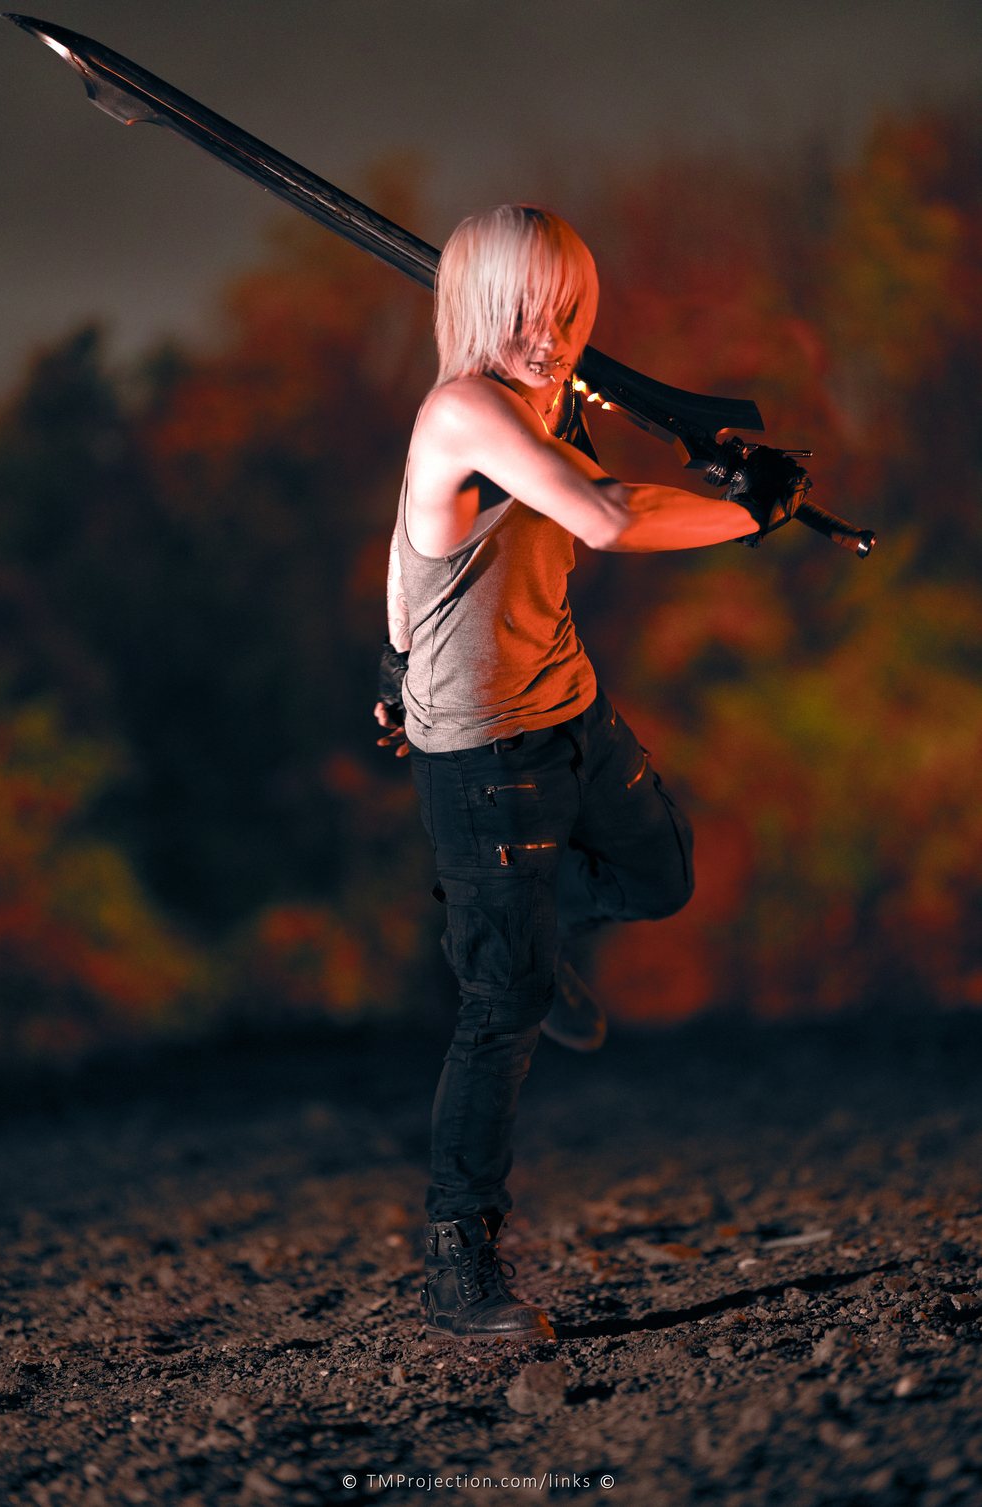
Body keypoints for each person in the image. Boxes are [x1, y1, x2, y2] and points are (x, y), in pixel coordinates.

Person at [373, 205, 801, 1344]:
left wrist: (396, 648)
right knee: (504, 1004)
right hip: (482, 752)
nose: (549, 335)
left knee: (661, 875)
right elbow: (606, 517)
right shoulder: (462, 409)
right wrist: (747, 509)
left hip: (568, 703)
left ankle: (522, 920)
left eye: (566, 311)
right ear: (476, 309)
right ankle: (459, 1262)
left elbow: (411, 545)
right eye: (523, 312)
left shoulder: (550, 399)